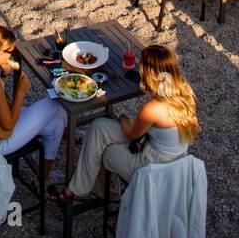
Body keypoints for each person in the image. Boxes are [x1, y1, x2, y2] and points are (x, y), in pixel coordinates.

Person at [53, 45, 198, 203]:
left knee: (102, 149)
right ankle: (82, 188)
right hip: (172, 158)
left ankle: (102, 192)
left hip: (154, 166)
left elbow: (131, 133)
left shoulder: (153, 108)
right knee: (99, 126)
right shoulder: (185, 92)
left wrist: (122, 119)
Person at [0, 26, 67, 182]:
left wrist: (3, 74)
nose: (13, 56)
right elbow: (8, 124)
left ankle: (44, 178)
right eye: (11, 52)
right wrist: (20, 92)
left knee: (56, 125)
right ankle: (71, 134)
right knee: (54, 104)